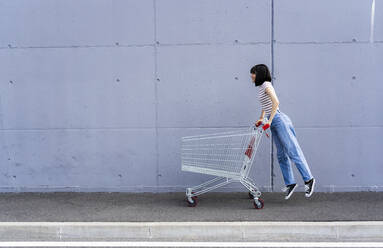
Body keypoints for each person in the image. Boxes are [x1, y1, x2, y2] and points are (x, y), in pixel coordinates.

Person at [250, 64, 315, 200]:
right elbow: (265, 105)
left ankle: (309, 179)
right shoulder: (262, 88)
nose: (251, 75)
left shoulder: (267, 85)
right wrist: (262, 118)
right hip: (272, 121)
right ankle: (290, 183)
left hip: (279, 120)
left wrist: (270, 120)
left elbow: (276, 102)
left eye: (253, 73)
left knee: (292, 151)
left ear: (260, 74)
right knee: (281, 155)